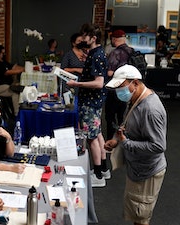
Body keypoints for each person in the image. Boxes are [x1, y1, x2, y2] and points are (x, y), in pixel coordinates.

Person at [104, 64, 167, 225]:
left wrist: (126, 143)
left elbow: (158, 146)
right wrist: (116, 140)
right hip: (138, 169)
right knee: (135, 213)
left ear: (136, 83)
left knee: (140, 216)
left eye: (122, 86)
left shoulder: (151, 109)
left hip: (147, 172)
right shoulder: (135, 100)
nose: (119, 92)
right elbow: (127, 125)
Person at [66, 23, 109, 188]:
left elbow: (99, 83)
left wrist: (76, 84)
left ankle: (98, 174)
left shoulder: (97, 55)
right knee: (97, 135)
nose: (82, 39)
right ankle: (103, 169)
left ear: (94, 38)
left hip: (90, 102)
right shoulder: (95, 53)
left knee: (91, 139)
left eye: (85, 36)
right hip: (93, 101)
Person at [105, 29, 132, 140]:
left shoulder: (115, 53)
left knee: (110, 116)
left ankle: (111, 141)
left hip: (115, 89)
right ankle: (122, 139)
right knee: (122, 117)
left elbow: (110, 72)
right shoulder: (132, 51)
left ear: (114, 39)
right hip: (128, 89)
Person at [0, 45, 24, 116]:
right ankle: (17, 114)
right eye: (2, 53)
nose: (4, 55)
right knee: (15, 92)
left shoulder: (3, 62)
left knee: (18, 87)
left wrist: (25, 68)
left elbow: (13, 67)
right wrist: (20, 70)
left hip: (6, 85)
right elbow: (7, 72)